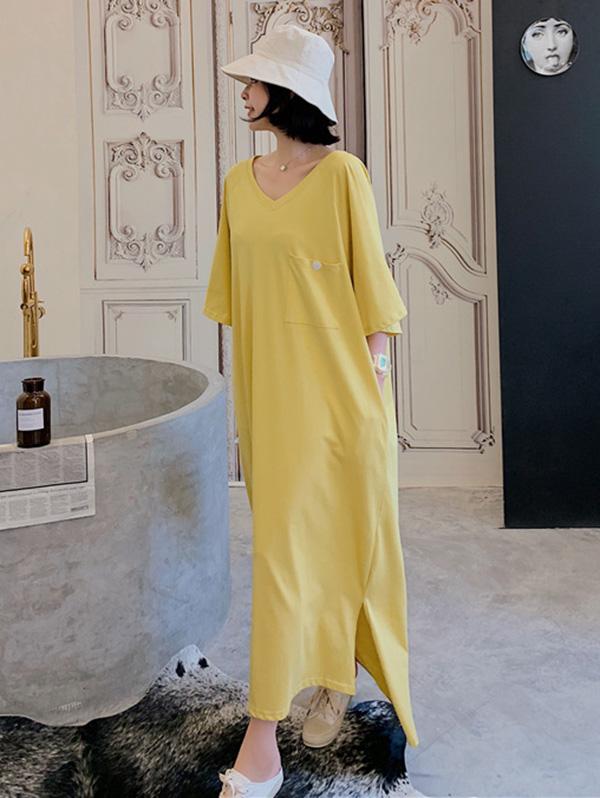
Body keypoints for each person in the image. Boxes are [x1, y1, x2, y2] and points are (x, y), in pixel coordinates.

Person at [204, 22, 419, 798]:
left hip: (343, 403)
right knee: (284, 553)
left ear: (287, 92)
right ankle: (328, 672)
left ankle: (264, 741)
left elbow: (375, 303)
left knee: (335, 547)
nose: (244, 92)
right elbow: (235, 301)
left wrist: (374, 393)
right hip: (273, 403)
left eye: (255, 81)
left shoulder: (343, 177)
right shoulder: (238, 183)